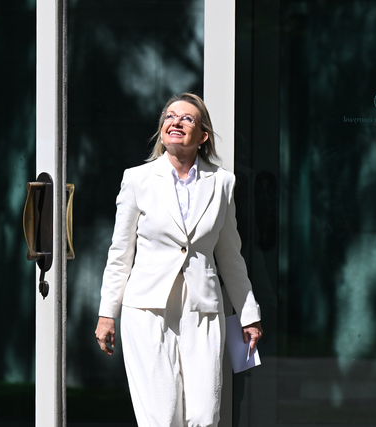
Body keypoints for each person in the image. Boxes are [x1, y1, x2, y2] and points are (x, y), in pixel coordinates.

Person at [95, 93, 263, 427]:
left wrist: (249, 315)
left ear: (203, 136)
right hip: (147, 309)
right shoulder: (137, 179)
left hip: (203, 309)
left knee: (204, 414)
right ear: (162, 130)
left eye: (187, 118)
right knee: (161, 415)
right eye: (170, 116)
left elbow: (231, 256)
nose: (176, 122)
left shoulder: (222, 182)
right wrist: (106, 313)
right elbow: (120, 252)